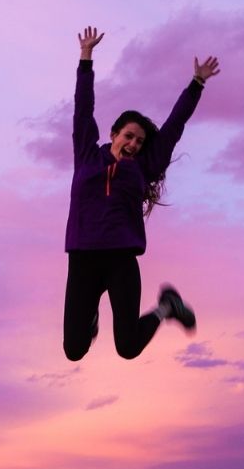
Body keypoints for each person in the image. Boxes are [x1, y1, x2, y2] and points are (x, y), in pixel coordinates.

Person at [63, 26, 220, 361]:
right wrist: (86, 58)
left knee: (128, 347)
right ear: (114, 134)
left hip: (121, 259)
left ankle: (166, 307)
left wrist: (197, 84)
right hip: (82, 259)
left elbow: (174, 126)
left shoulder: (143, 167)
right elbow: (83, 108)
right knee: (74, 350)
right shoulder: (87, 156)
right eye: (129, 136)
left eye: (139, 141)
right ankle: (90, 317)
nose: (134, 144)